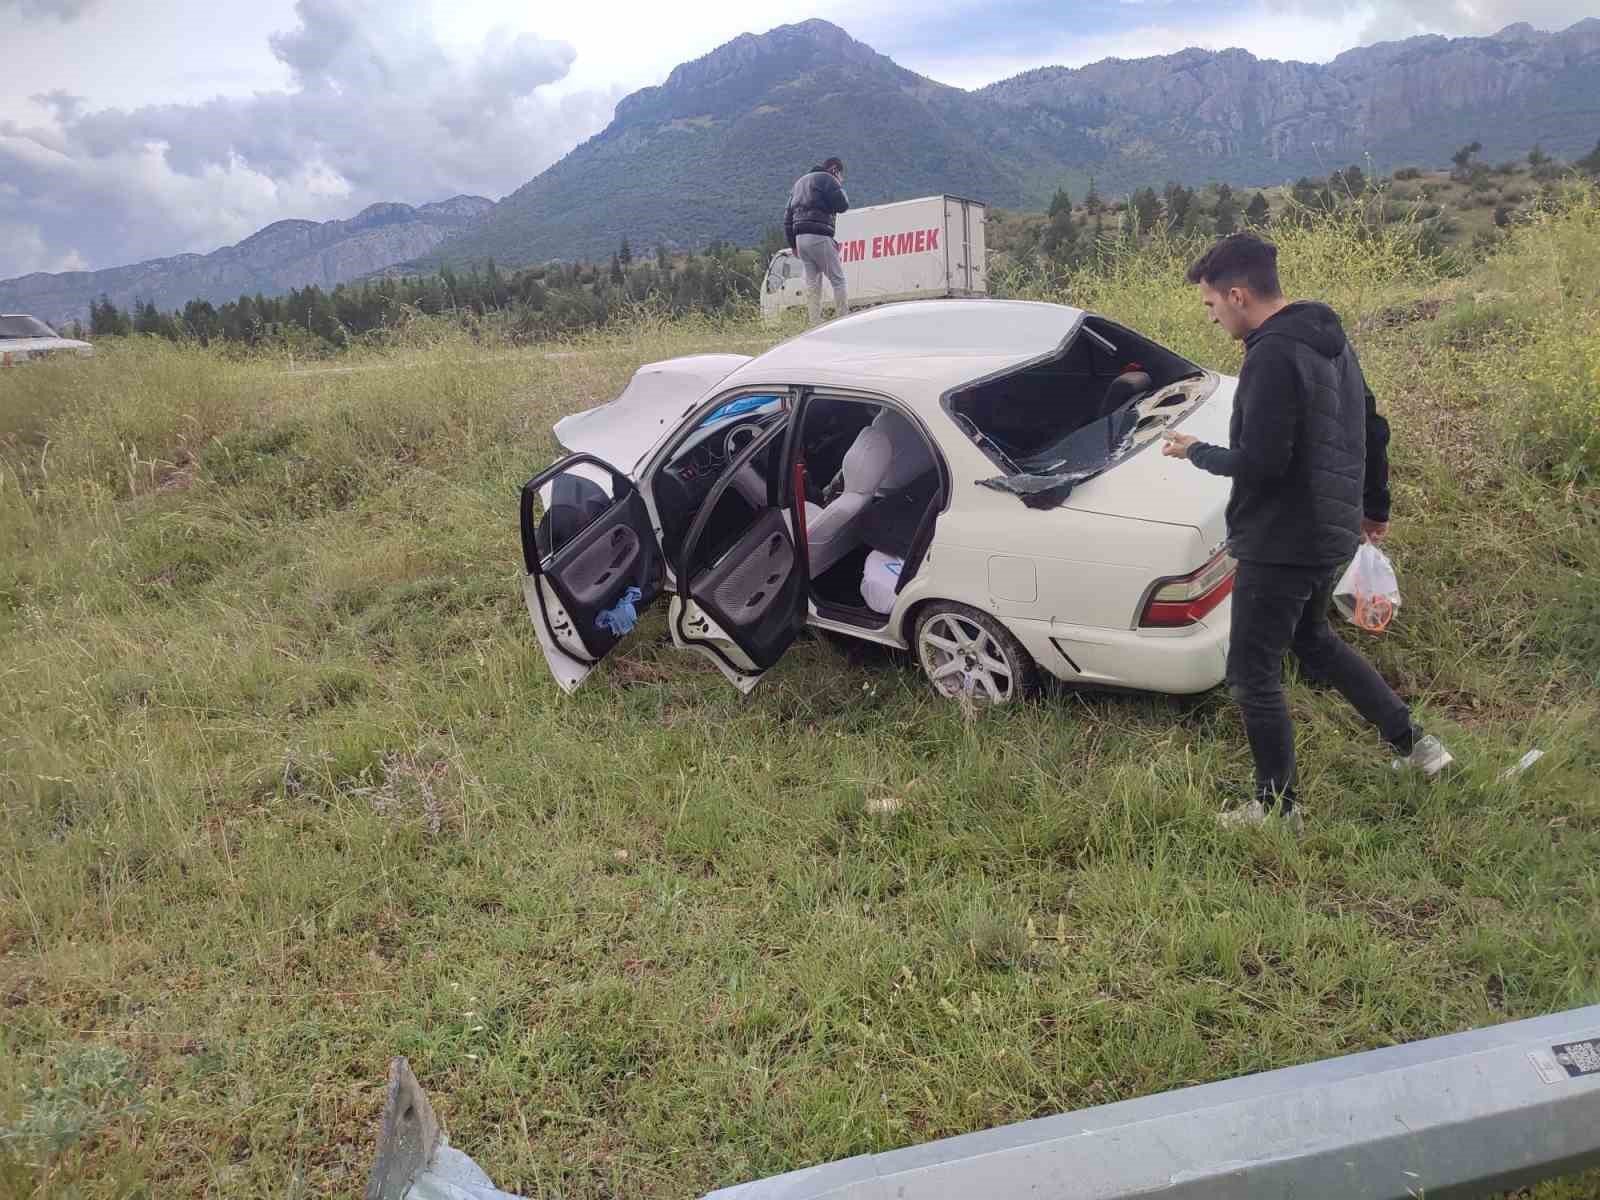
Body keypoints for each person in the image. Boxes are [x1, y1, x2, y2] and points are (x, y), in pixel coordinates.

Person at [1160, 232, 1452, 831]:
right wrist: (1374, 508)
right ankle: (1418, 747)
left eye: (1211, 305)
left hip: (1283, 540)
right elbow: (1373, 425)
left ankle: (1277, 808)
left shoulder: (1269, 354)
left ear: (1237, 295)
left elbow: (1264, 463)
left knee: (1252, 672)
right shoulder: (1328, 338)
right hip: (1332, 529)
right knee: (1314, 642)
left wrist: (1195, 451)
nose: (1213, 316)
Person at [784, 157, 850, 324]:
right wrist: (839, 187)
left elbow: (787, 218)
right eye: (841, 175)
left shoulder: (798, 183)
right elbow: (842, 206)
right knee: (838, 280)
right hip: (819, 235)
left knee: (813, 286)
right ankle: (844, 320)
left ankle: (814, 324)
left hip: (800, 239)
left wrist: (793, 245)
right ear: (835, 169)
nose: (841, 179)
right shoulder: (827, 179)